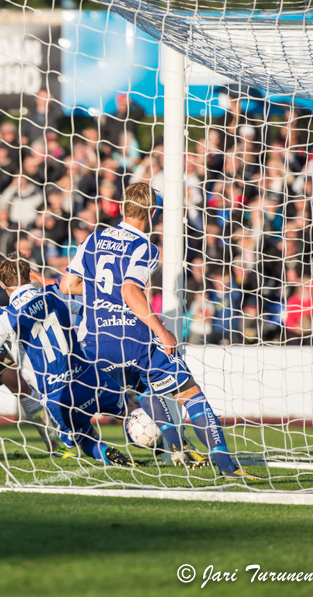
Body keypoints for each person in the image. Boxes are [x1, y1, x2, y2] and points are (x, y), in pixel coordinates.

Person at [62, 181, 261, 480]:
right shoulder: (144, 246)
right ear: (152, 212)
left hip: (94, 342)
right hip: (133, 337)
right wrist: (160, 329)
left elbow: (70, 285)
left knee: (142, 386)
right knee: (190, 393)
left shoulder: (94, 238)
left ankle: (176, 443)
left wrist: (102, 300)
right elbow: (130, 290)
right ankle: (227, 467)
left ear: (121, 205)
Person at [0, 255, 179, 466]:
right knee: (128, 409)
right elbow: (89, 311)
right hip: (88, 378)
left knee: (84, 437)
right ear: (29, 275)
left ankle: (108, 453)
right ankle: (164, 440)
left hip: (57, 395)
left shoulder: (4, 317)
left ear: (0, 283)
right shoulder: (54, 296)